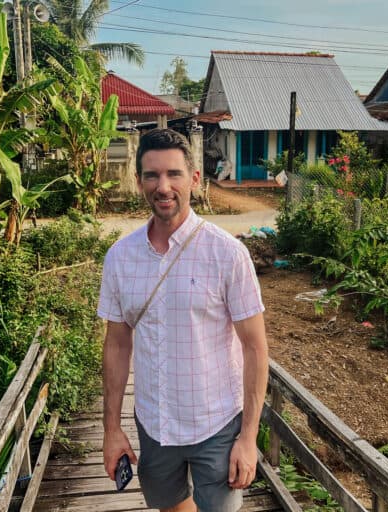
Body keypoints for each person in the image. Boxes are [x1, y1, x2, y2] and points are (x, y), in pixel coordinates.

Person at [97, 128, 269, 512]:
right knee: (171, 506)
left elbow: (255, 348)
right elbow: (117, 344)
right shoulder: (120, 258)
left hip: (217, 423)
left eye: (174, 174)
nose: (163, 186)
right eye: (152, 175)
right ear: (138, 180)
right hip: (154, 423)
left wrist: (248, 437)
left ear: (194, 179)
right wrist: (111, 429)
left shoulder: (227, 254)